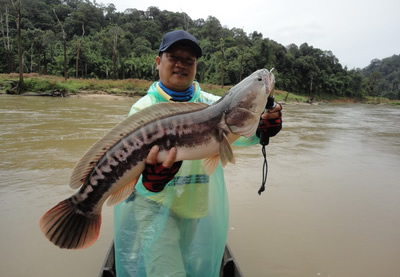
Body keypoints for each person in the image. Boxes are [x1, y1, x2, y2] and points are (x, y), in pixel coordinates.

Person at [113, 30, 282, 277]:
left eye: (189, 60)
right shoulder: (143, 109)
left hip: (194, 206)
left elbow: (245, 134)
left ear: (196, 66)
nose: (181, 64)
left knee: (187, 263)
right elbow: (129, 167)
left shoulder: (213, 103)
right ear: (158, 61)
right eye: (174, 57)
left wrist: (266, 124)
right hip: (154, 205)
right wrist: (150, 182)